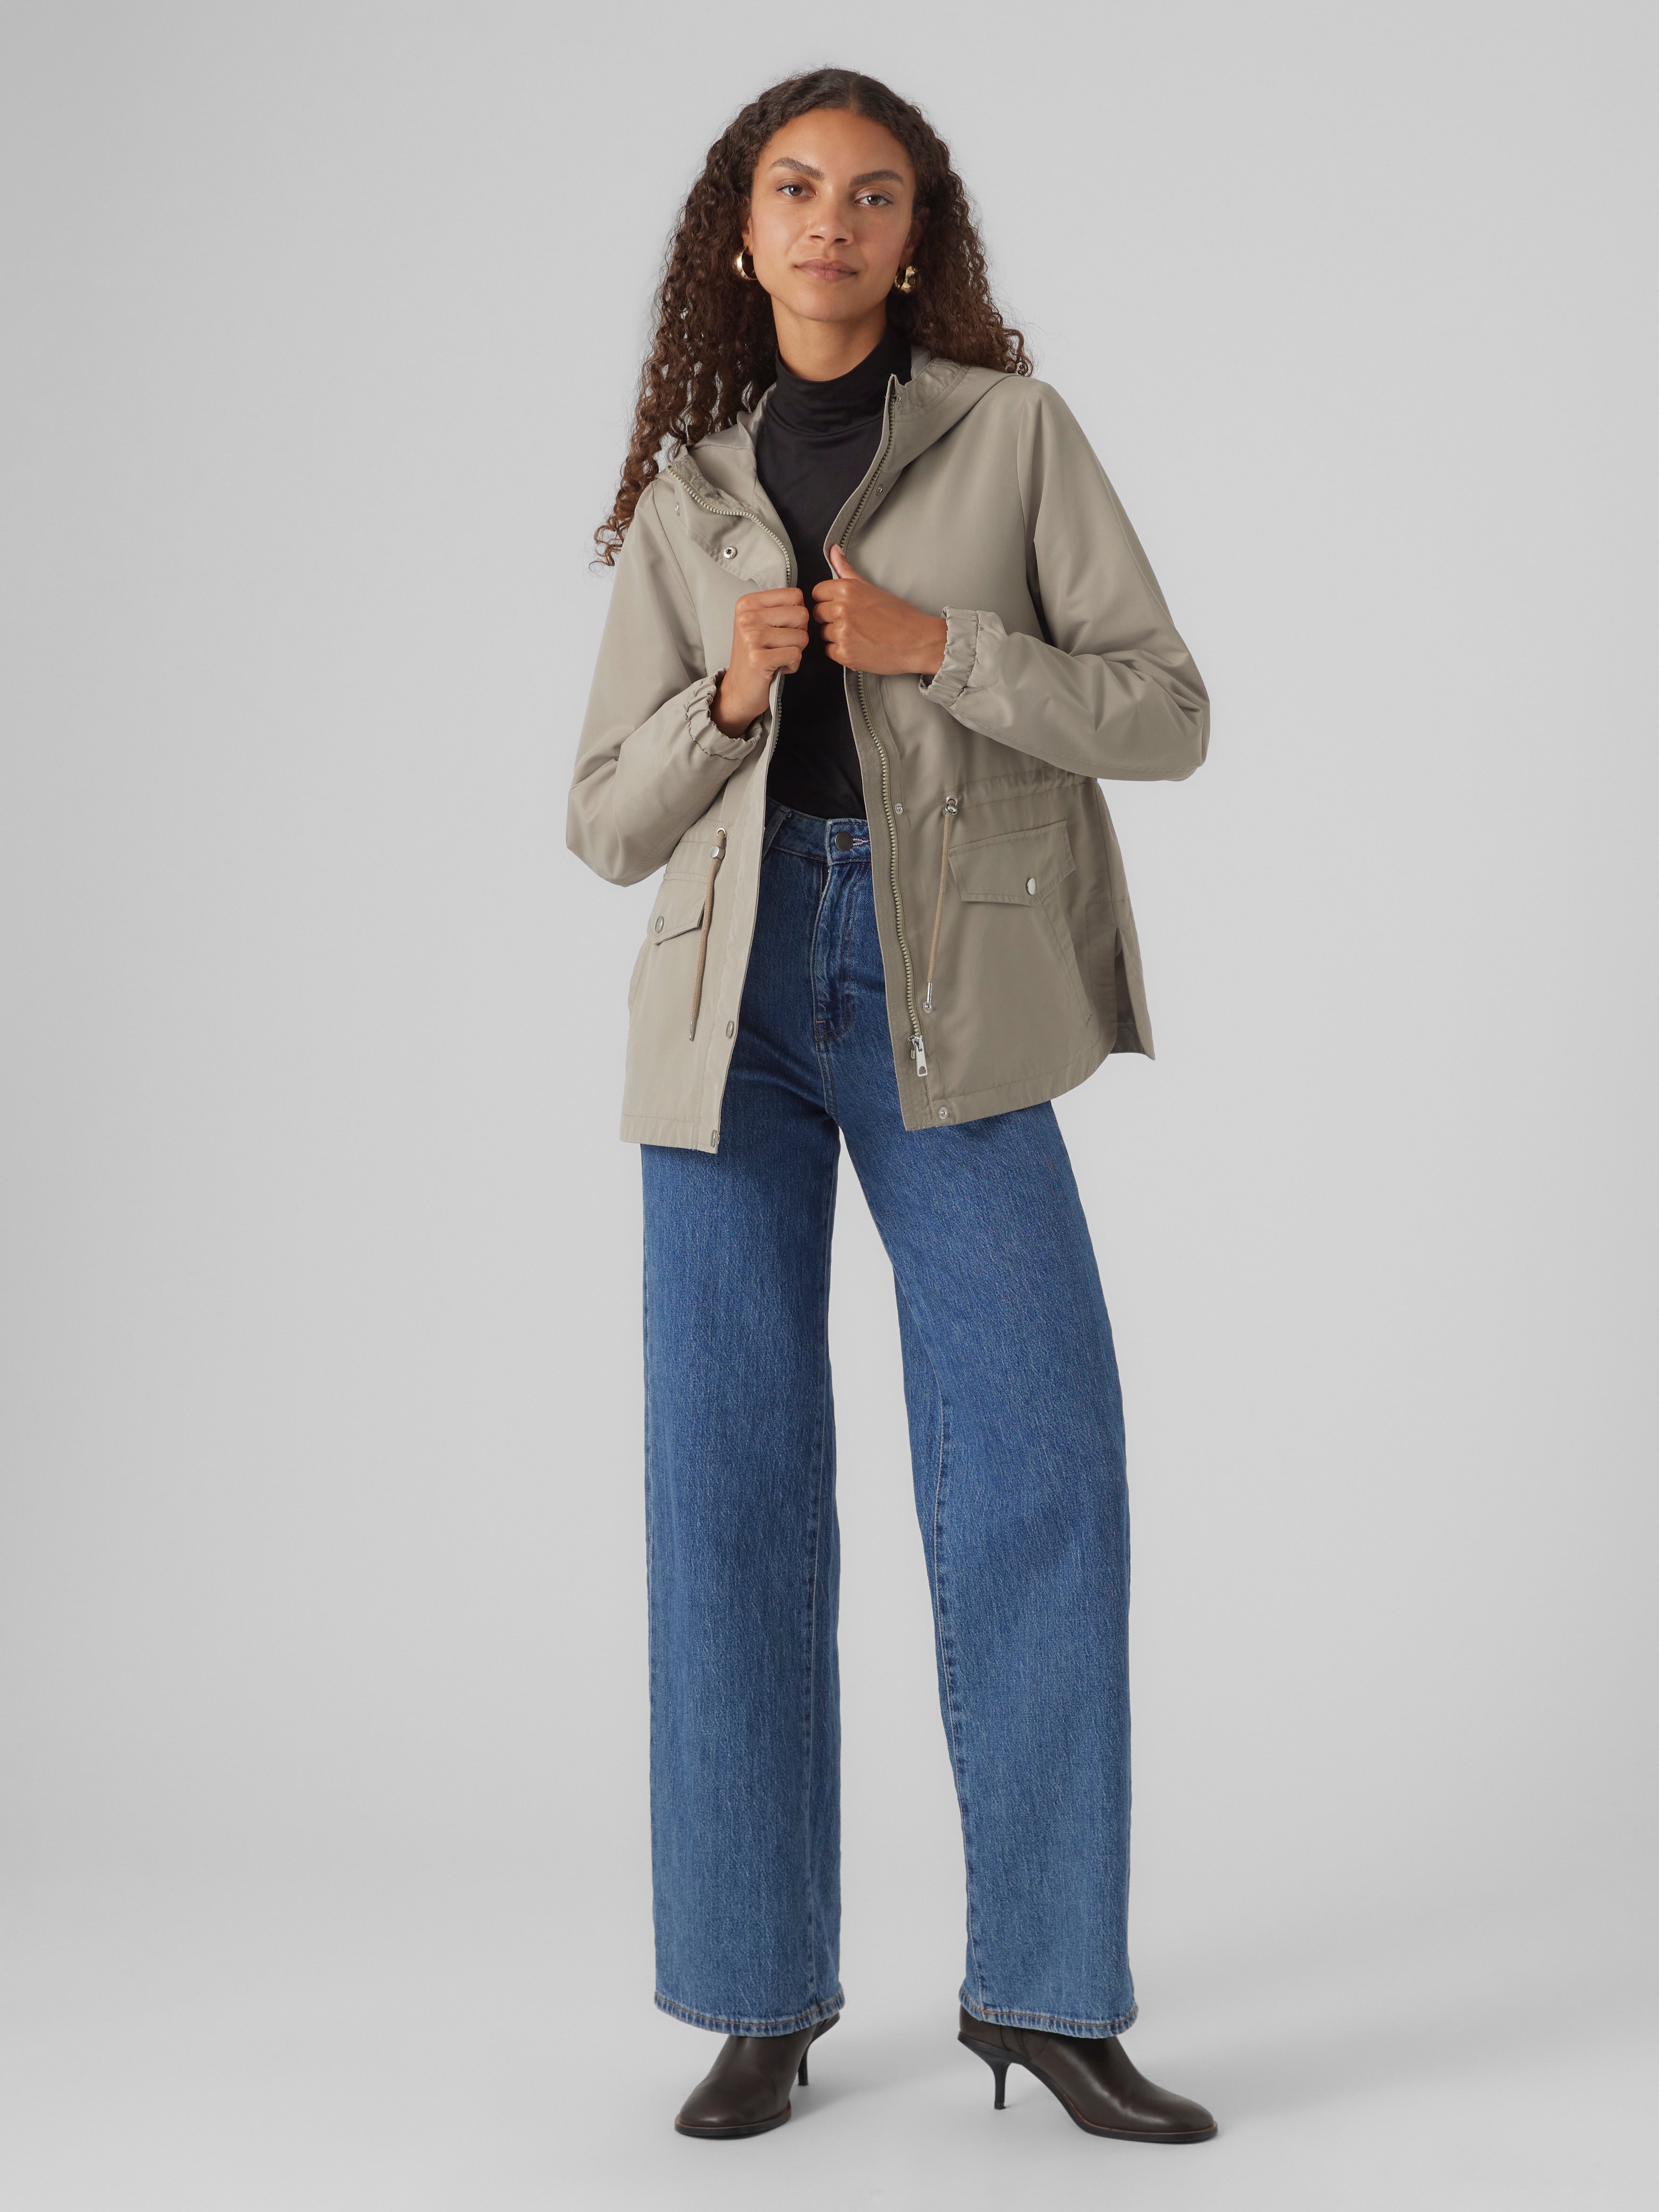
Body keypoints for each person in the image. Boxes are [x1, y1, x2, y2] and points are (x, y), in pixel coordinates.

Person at [568, 67, 1217, 2147]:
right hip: (731, 1008)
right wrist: (731, 695)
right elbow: (604, 820)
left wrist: (945, 646)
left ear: (916, 233)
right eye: (795, 189)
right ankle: (756, 1995)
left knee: (1041, 1467)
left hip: (955, 997)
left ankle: (1049, 1991)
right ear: (741, 232)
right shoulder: (690, 491)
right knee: (728, 1492)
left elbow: (1167, 712)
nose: (832, 223)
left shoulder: (1013, 434)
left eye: (872, 193)